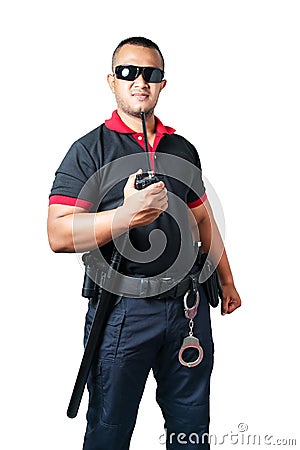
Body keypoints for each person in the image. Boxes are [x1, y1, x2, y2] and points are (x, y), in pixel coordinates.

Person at [47, 37, 241, 450]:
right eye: (128, 72)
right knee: (109, 431)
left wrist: (226, 281)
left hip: (187, 309)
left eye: (149, 74)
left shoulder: (181, 148)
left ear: (162, 84)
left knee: (191, 430)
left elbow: (203, 218)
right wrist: (124, 216)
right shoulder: (89, 151)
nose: (139, 81)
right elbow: (58, 234)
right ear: (111, 81)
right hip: (121, 313)